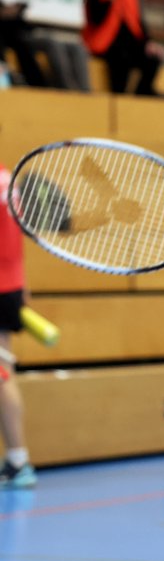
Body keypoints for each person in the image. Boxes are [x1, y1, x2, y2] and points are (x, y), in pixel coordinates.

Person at [0, 162, 36, 489]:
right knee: (2, 372)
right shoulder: (8, 178)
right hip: (9, 287)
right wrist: (22, 286)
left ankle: (18, 460)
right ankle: (17, 460)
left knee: (1, 375)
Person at [81, 0, 164, 95]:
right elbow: (96, 18)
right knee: (120, 59)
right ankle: (119, 95)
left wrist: (148, 43)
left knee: (153, 58)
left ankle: (142, 91)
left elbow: (136, 22)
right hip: (104, 44)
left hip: (127, 44)